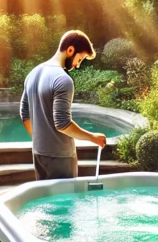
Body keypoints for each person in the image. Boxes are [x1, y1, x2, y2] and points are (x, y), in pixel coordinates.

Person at [20, 30, 107, 180]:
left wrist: (39, 140)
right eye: (80, 59)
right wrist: (92, 137)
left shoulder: (32, 74)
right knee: (65, 202)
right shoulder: (63, 79)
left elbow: (24, 113)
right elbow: (62, 124)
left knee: (45, 201)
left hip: (39, 154)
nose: (78, 65)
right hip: (61, 157)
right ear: (70, 50)